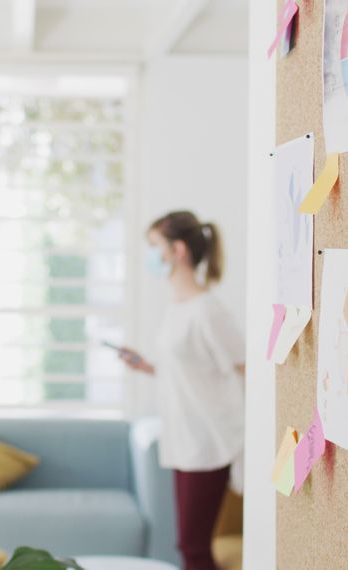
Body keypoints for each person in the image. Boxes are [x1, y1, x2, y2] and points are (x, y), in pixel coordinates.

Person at [117, 211, 245, 570]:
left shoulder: (208, 311)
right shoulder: (177, 308)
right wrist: (147, 367)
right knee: (189, 546)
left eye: (154, 246)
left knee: (193, 549)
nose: (150, 255)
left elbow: (246, 369)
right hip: (184, 441)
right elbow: (189, 372)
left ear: (178, 250)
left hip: (209, 442)